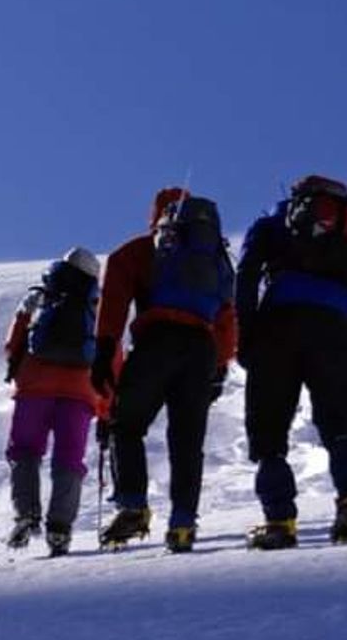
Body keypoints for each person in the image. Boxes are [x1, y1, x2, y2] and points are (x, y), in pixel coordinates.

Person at [235, 174, 347, 549]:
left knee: (268, 429)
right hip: (336, 328)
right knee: (339, 424)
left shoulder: (271, 224)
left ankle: (280, 521)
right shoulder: (343, 241)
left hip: (279, 326)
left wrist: (247, 334)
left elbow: (247, 275)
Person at [90, 188, 237, 553]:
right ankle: (183, 523)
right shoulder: (215, 258)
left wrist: (105, 350)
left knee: (127, 425)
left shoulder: (144, 249)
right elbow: (227, 316)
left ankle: (133, 506)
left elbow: (114, 300)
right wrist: (219, 367)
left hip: (157, 341)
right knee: (187, 441)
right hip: (201, 349)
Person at [3, 246, 104, 556]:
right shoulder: (95, 306)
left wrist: (23, 318)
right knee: (69, 459)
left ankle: (26, 514)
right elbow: (109, 355)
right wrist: (105, 406)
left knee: (25, 451)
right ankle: (60, 529)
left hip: (34, 386)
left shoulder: (44, 296)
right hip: (80, 391)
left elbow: (12, 345)